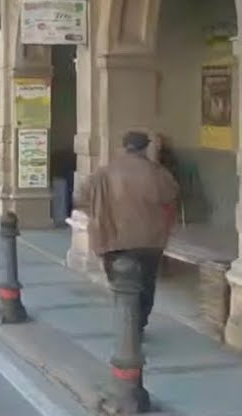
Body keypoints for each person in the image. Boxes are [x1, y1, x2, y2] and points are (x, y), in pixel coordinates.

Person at [76, 130, 179, 334]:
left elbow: (80, 199)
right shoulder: (157, 172)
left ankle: (127, 325)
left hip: (111, 239)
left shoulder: (103, 173)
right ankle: (138, 324)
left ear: (123, 147)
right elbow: (172, 196)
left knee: (120, 287)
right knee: (146, 285)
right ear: (145, 148)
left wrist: (98, 216)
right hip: (149, 240)